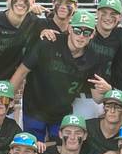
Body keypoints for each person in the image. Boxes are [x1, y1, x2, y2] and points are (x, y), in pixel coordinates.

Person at [10, 9, 110, 142]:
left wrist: (108, 90)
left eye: (87, 32)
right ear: (69, 28)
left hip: (61, 114)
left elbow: (97, 98)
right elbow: (22, 71)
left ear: (93, 34)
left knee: (58, 153)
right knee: (31, 148)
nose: (81, 36)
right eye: (77, 30)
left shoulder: (93, 57)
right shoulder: (49, 43)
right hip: (34, 109)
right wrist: (7, 97)